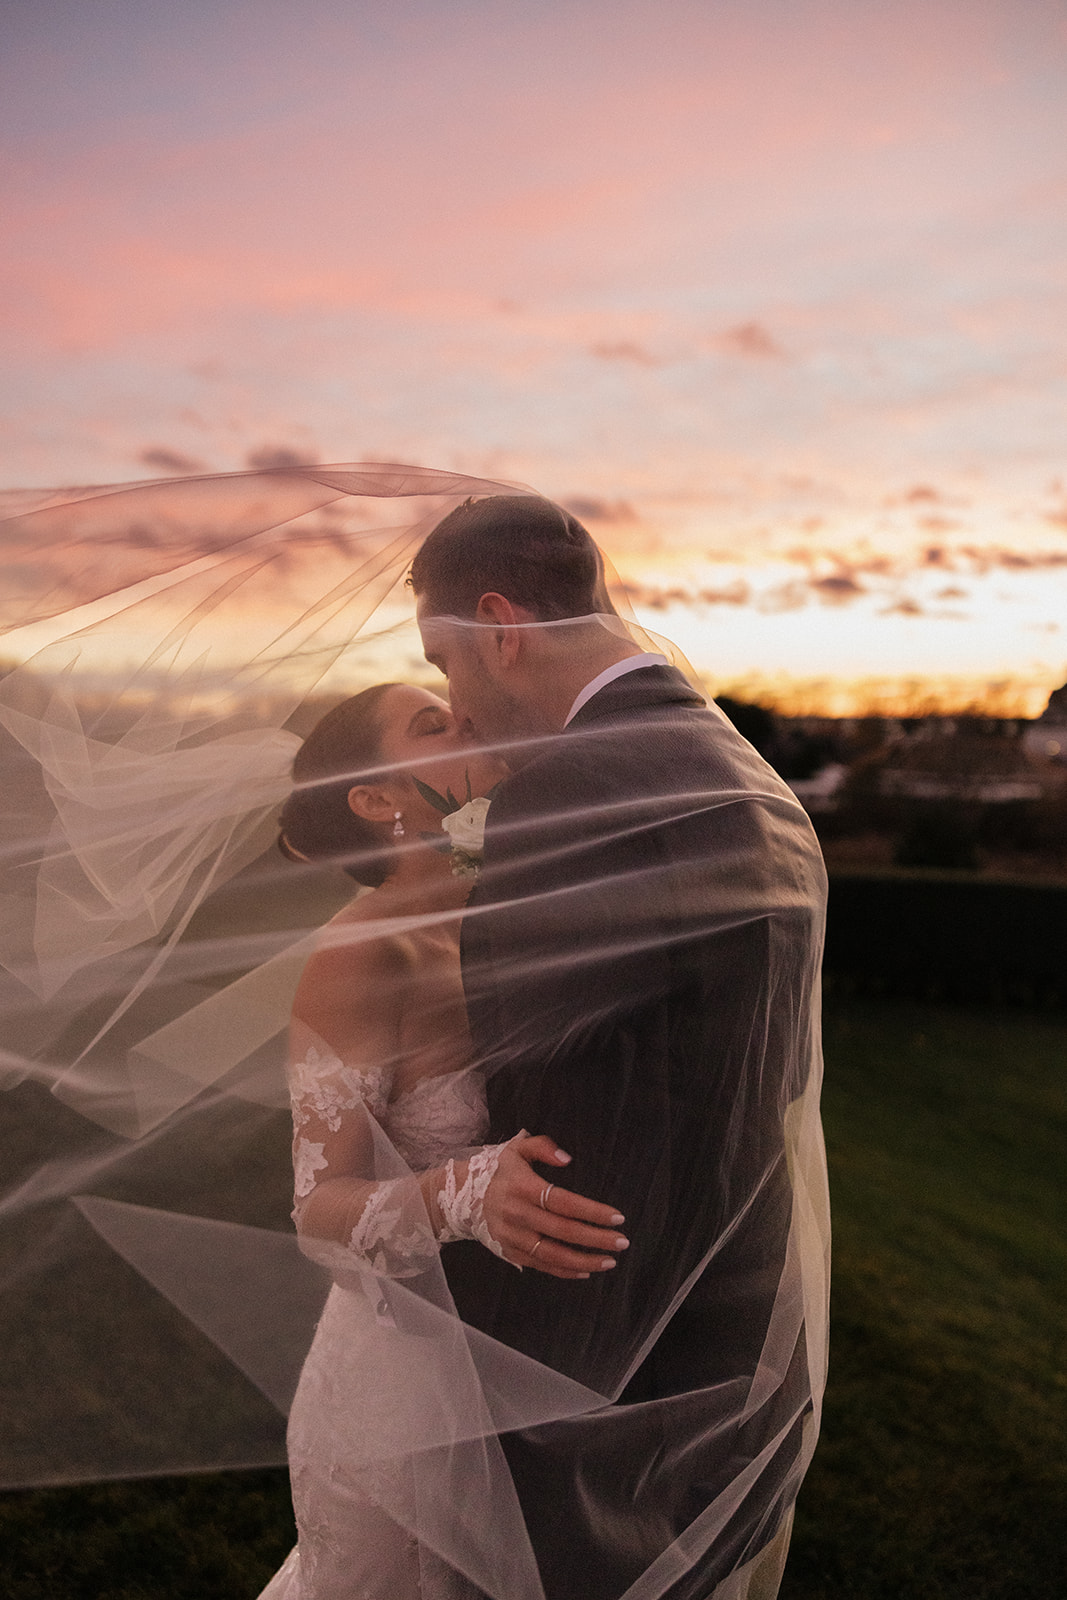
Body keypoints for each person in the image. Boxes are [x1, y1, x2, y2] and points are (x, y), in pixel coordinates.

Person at [410, 495, 829, 1600]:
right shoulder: (750, 777)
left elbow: (525, 1113)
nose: (453, 699)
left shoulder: (572, 791)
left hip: (593, 1388)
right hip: (738, 1342)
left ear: (501, 624)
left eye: (445, 661)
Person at [260, 681, 631, 1600]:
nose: (464, 719)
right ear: (376, 797)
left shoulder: (506, 911)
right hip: (402, 1394)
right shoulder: (360, 956)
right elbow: (318, 1211)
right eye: (432, 723)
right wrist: (466, 1196)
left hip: (523, 1359)